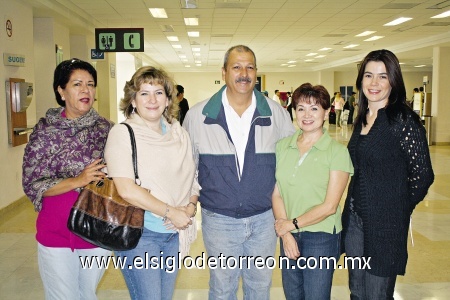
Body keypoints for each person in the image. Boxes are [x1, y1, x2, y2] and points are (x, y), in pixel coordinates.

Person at [183, 45, 295, 299]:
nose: (244, 73)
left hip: (265, 220)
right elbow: (187, 170)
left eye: (250, 67)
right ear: (224, 72)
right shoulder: (198, 116)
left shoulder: (276, 114)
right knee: (223, 288)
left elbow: (289, 168)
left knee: (259, 286)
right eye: (236, 67)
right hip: (219, 220)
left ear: (256, 72)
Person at [341, 49, 434, 299]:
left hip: (385, 226)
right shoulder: (362, 118)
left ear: (394, 80)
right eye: (369, 75)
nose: (374, 83)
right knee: (357, 291)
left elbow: (423, 175)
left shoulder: (403, 121)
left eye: (383, 76)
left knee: (377, 293)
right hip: (354, 222)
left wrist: (397, 207)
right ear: (360, 80)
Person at [104, 66, 199, 300]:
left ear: (168, 99)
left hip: (174, 234)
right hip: (140, 234)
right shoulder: (123, 133)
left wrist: (189, 207)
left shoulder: (179, 133)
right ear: (133, 101)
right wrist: (170, 212)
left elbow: (193, 178)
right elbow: (126, 189)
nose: (152, 100)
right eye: (144, 93)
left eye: (158, 92)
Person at [22, 58, 113, 299]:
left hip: (96, 228)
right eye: (77, 84)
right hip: (56, 231)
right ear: (61, 91)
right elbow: (33, 183)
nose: (86, 90)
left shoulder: (107, 130)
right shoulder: (44, 132)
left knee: (88, 294)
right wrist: (78, 180)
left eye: (91, 84)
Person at [272, 83, 353, 299]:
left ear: (327, 112)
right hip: (288, 233)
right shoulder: (282, 147)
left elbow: (329, 206)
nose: (307, 115)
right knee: (293, 294)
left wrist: (291, 224)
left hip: (322, 237)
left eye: (315, 108)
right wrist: (286, 232)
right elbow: (276, 193)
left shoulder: (337, 152)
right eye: (301, 108)